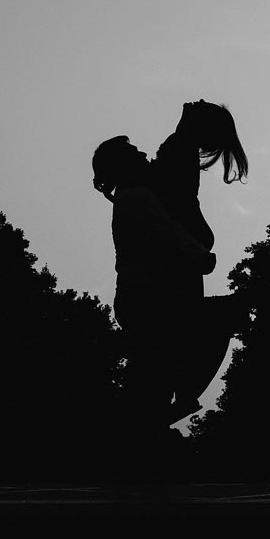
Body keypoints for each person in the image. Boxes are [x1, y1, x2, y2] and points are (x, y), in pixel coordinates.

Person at [92, 135, 217, 443]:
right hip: (147, 298)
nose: (144, 154)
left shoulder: (129, 196)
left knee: (149, 375)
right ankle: (138, 435)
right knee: (155, 375)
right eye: (135, 152)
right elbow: (168, 233)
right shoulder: (138, 197)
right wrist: (201, 256)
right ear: (124, 163)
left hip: (137, 297)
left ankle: (142, 432)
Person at [149, 100, 249, 422]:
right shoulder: (179, 150)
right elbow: (180, 207)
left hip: (181, 267)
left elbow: (181, 206)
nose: (198, 102)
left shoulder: (179, 149)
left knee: (194, 329)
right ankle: (185, 392)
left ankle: (183, 391)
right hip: (178, 268)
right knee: (211, 322)